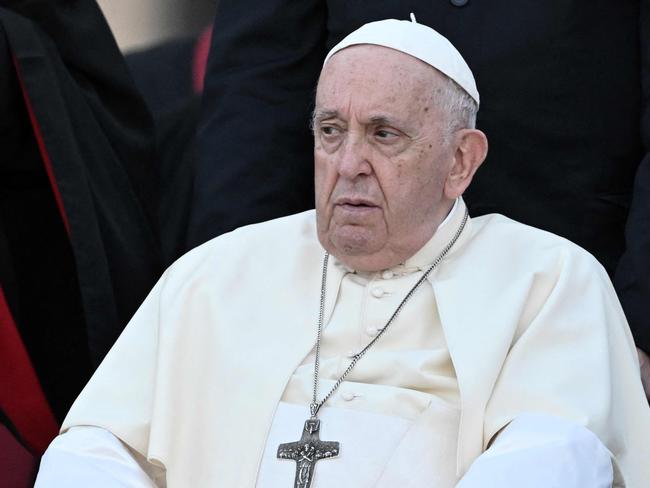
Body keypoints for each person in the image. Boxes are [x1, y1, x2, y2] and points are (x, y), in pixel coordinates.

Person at [36, 18, 650, 487]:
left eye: (384, 135)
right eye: (331, 131)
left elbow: (555, 455)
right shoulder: (213, 274)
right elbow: (92, 447)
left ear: (461, 160)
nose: (349, 165)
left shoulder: (547, 279)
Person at [188, 1, 650, 395]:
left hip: (577, 279)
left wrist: (639, 323)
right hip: (342, 291)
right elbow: (256, 93)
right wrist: (240, 290)